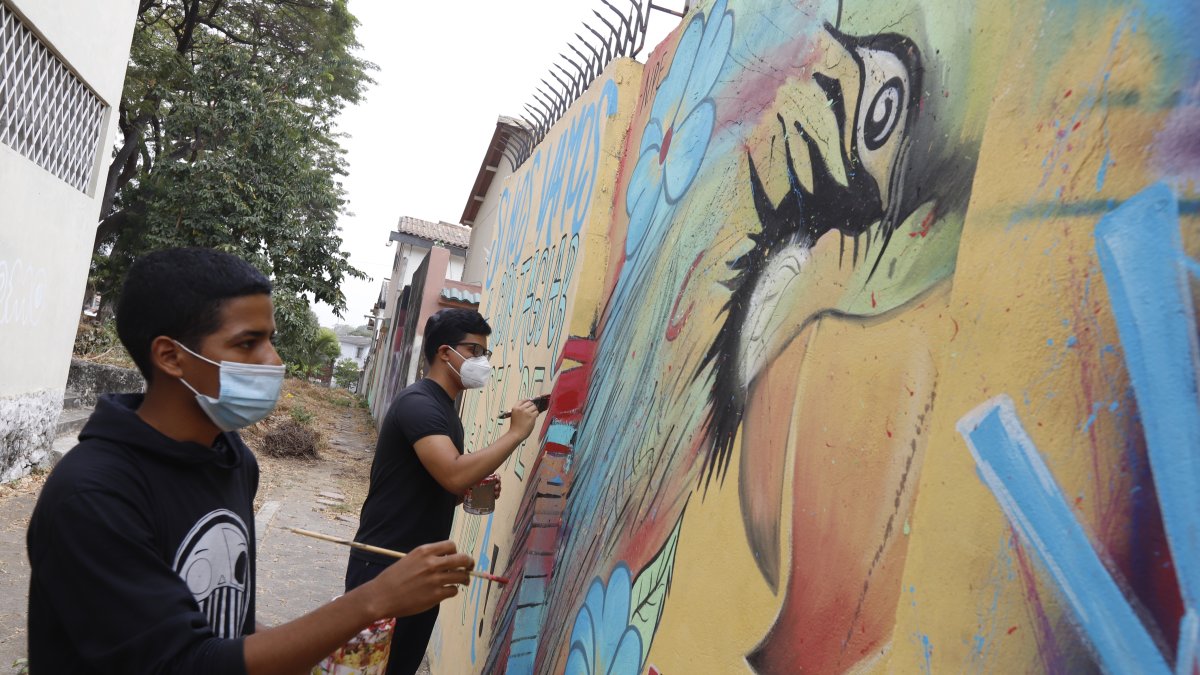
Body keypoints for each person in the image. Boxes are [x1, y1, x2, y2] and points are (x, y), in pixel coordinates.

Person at [26, 248, 474, 675]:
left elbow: (222, 625)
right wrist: (371, 601)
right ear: (170, 356)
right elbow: (182, 663)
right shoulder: (93, 494)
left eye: (270, 340)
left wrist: (312, 652)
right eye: (247, 343)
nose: (273, 360)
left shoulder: (233, 460)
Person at [347, 308, 539, 674]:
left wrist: (466, 492)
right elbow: (452, 473)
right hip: (386, 564)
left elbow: (442, 484)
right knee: (371, 669)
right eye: (475, 351)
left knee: (398, 667)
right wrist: (515, 433)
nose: (482, 361)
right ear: (445, 352)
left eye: (486, 353)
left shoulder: (446, 412)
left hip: (419, 567)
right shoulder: (420, 404)